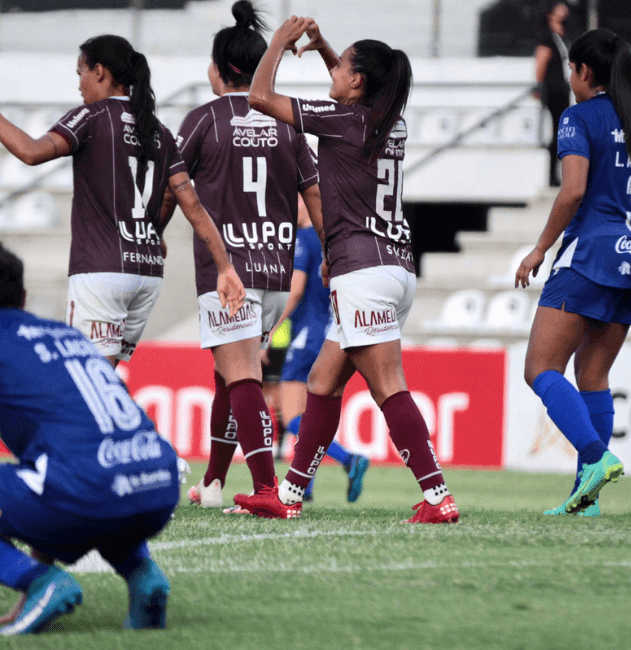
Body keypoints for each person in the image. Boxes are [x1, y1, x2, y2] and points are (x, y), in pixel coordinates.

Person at [0, 239, 180, 635]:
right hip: (158, 487)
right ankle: (142, 574)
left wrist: (12, 546)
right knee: (69, 485)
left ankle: (39, 582)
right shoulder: (67, 335)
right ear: (23, 296)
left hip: (86, 490)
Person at [236, 16, 459, 524]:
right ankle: (289, 495)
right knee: (321, 381)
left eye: (341, 67)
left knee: (388, 387)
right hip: (392, 267)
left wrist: (278, 43)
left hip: (364, 271)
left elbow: (259, 98)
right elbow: (353, 83)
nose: (332, 72)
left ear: (357, 82)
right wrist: (322, 49)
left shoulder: (342, 120)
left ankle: (437, 495)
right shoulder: (388, 122)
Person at [0, 34, 244, 368]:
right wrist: (223, 265)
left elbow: (31, 153)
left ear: (100, 72)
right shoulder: (159, 131)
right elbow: (187, 203)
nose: (79, 86)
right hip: (146, 273)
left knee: (85, 382)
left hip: (101, 273)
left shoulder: (92, 116)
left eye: (81, 74)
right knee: (103, 381)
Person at [514, 29, 631, 515]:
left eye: (571, 70)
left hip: (589, 256)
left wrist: (539, 249)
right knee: (593, 375)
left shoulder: (577, 118)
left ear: (585, 72)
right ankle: (584, 500)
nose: (569, 79)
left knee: (540, 368)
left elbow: (572, 192)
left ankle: (594, 456)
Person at [177, 1, 322, 509]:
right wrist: (332, 252)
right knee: (228, 376)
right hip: (276, 274)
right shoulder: (286, 123)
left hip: (229, 274)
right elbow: (315, 194)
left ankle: (267, 489)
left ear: (219, 69)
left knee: (242, 376)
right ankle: (215, 483)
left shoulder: (203, 119)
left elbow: (171, 183)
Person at [276, 196, 370, 502]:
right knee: (309, 413)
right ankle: (306, 486)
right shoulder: (328, 237)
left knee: (291, 414)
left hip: (306, 332)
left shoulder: (303, 237)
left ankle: (347, 458)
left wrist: (271, 331)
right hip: (328, 328)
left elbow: (296, 288)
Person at [533, 1, 572, 187]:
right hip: (553, 89)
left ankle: (556, 172)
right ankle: (551, 175)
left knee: (561, 131)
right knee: (556, 131)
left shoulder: (559, 36)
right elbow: (541, 62)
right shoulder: (547, 37)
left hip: (562, 88)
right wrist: (539, 86)